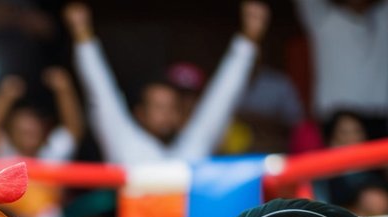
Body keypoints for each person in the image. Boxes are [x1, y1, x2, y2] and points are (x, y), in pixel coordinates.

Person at [63, 1, 268, 164]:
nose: (167, 115)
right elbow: (101, 94)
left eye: (173, 108)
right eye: (159, 107)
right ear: (140, 114)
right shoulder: (126, 146)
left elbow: (221, 100)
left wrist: (249, 38)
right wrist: (82, 33)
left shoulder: (191, 153)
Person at [293, 0, 388, 139]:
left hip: (379, 118)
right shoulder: (323, 18)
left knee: (382, 160)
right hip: (335, 118)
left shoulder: (386, 20)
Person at [0, 67, 83, 217]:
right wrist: (5, 96)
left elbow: (73, 129)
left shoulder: (52, 155)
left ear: (43, 131)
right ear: (12, 132)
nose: (29, 135)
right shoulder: (5, 155)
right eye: (23, 132)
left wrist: (64, 89)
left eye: (33, 131)